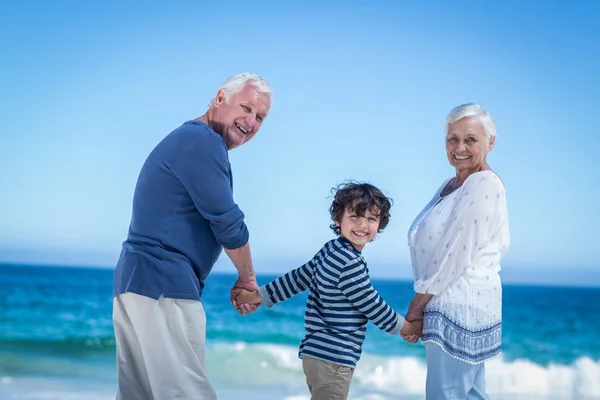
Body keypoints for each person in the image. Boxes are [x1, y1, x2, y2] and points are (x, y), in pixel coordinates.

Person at [112, 72, 273, 400]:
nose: (251, 121)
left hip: (137, 282)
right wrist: (248, 278)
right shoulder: (203, 142)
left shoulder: (193, 140)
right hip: (162, 283)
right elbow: (228, 223)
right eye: (245, 107)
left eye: (260, 117)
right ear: (219, 98)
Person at [233, 182, 423, 400]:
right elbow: (372, 305)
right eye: (354, 217)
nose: (362, 225)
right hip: (334, 356)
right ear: (337, 218)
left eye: (371, 219)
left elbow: (296, 280)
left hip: (317, 354)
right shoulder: (348, 262)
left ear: (379, 224)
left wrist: (257, 295)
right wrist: (407, 327)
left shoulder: (331, 249)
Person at [402, 103, 510, 399]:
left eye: (471, 139)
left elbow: (454, 253)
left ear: (491, 143)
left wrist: (417, 306)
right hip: (455, 303)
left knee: (445, 394)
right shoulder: (451, 185)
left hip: (457, 307)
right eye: (453, 138)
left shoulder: (484, 184)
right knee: (471, 394)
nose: (459, 147)